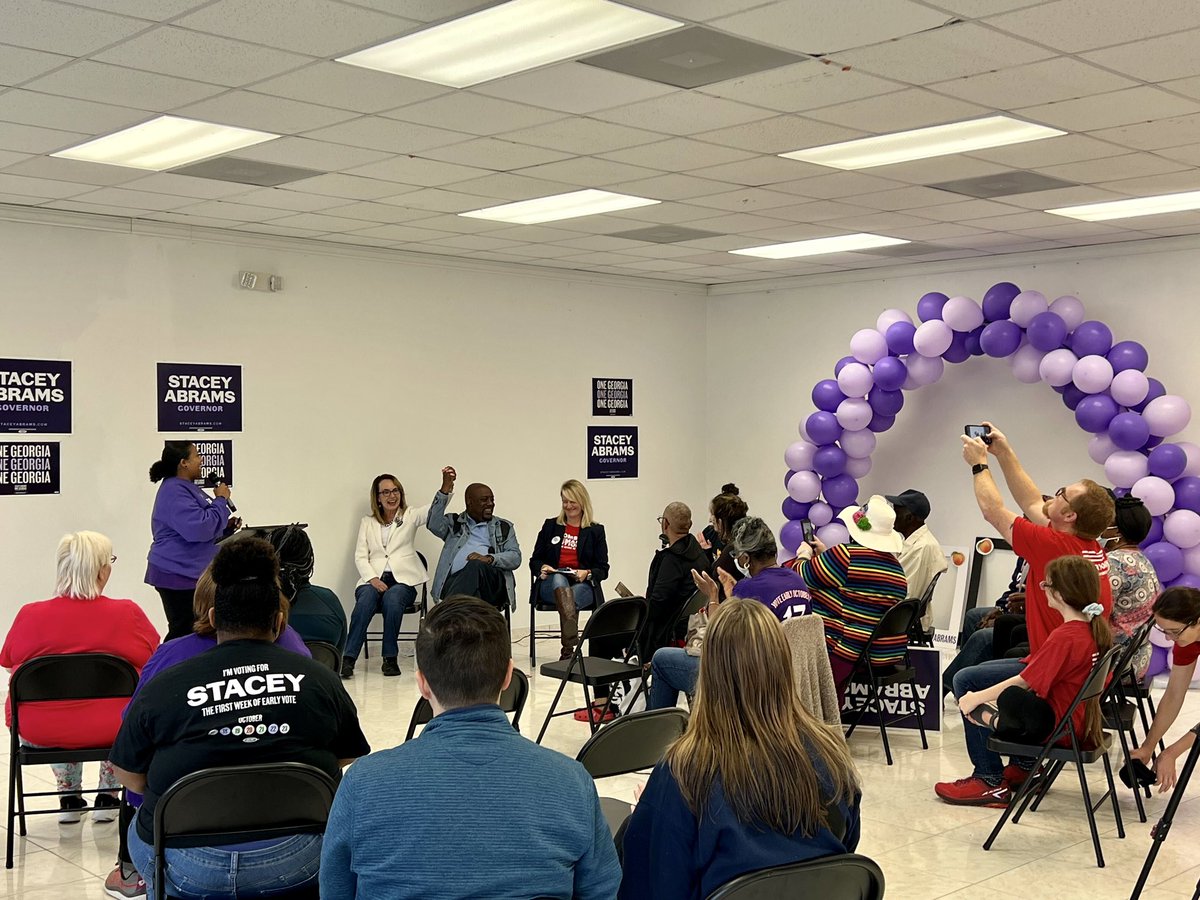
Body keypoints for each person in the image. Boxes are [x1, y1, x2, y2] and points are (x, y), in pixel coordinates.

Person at [110, 538, 369, 900]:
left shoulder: (167, 680)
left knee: (141, 829)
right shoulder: (319, 678)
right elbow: (346, 755)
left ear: (213, 619)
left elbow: (128, 776)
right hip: (297, 860)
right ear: (279, 621)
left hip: (188, 864)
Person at [320, 597, 621, 900]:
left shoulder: (363, 783)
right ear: (507, 676)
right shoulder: (571, 782)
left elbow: (335, 892)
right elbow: (602, 891)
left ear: (422, 683)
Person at [619, 599, 861, 900]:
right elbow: (842, 854)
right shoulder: (831, 755)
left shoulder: (684, 774)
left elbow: (650, 888)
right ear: (784, 665)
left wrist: (656, 811)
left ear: (709, 672)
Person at [948, 422, 1115, 803]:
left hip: (1057, 674)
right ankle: (1023, 768)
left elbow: (994, 510)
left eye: (1061, 495)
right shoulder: (1087, 545)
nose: (1051, 496)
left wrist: (979, 465)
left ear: (1069, 516)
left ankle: (989, 778)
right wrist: (1004, 451)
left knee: (966, 681)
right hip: (1066, 670)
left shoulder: (1055, 546)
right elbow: (1030, 504)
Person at [1, 532, 158, 824]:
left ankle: (69, 795)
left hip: (41, 731)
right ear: (101, 570)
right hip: (113, 729)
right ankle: (108, 794)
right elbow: (152, 660)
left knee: (49, 706)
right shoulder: (127, 614)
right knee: (128, 710)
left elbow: (8, 661)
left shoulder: (29, 615)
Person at [936, 555, 1112, 806]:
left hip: (1056, 729)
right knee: (987, 688)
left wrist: (974, 699)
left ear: (1060, 594)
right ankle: (1025, 766)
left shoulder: (1067, 636)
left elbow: (1025, 681)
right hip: (1077, 722)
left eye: (1046, 585)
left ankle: (989, 780)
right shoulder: (1092, 630)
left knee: (969, 687)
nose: (1043, 590)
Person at [647, 517, 811, 710]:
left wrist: (713, 596)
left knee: (661, 659)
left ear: (746, 557)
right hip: (786, 675)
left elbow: (718, 642)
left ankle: (657, 733)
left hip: (748, 680)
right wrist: (732, 594)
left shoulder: (750, 589)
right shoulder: (797, 579)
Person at [797, 494, 907, 705]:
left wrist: (804, 554)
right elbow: (858, 590)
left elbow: (799, 576)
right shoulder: (897, 571)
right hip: (875, 651)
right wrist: (826, 555)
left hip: (841, 649)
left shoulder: (846, 557)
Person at [344, 472, 437, 678]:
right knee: (366, 598)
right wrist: (372, 579)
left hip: (403, 581)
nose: (391, 496)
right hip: (373, 578)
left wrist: (445, 489)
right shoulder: (367, 522)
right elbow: (360, 556)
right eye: (385, 492)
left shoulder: (410, 515)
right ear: (377, 497)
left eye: (395, 490)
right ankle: (348, 658)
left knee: (393, 598)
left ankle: (390, 658)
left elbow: (433, 510)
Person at [146, 441, 237, 641]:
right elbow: (199, 529)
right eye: (196, 455)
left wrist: (225, 527)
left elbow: (199, 526)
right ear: (184, 463)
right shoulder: (174, 491)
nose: (201, 459)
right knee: (184, 632)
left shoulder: (185, 488)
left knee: (197, 630)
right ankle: (171, 667)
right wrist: (221, 501)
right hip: (177, 574)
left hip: (191, 572)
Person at [529, 479, 610, 660]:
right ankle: (570, 646)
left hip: (582, 585)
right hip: (551, 585)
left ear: (582, 502)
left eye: (572, 501)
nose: (568, 506)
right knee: (559, 579)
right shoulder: (551, 526)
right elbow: (534, 560)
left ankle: (567, 651)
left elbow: (603, 568)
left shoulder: (595, 531)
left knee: (572, 596)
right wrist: (542, 567)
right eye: (564, 501)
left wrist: (587, 572)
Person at [1130, 587, 1200, 793]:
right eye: (1164, 632)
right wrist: (1148, 747)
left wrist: (1171, 753)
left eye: (1175, 631)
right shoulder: (1186, 640)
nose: (1169, 639)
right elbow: (1173, 695)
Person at [428, 467, 521, 611]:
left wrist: (489, 558)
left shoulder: (503, 526)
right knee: (470, 600)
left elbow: (515, 557)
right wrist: (444, 490)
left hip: (492, 585)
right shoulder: (455, 523)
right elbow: (433, 523)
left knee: (475, 565)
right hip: (455, 582)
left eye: (492, 499)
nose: (490, 504)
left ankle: (443, 615)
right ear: (469, 502)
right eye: (484, 500)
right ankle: (458, 619)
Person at [642, 502, 710, 660]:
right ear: (690, 524)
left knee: (603, 638)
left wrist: (638, 610)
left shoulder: (670, 560)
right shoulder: (701, 555)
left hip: (663, 632)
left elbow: (658, 604)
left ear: (665, 524)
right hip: (687, 626)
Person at [269, 525, 348, 657]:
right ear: (310, 561)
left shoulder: (256, 613)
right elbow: (337, 655)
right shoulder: (330, 603)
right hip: (321, 677)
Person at [1105, 496, 1160, 679]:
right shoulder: (1142, 560)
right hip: (1137, 659)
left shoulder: (1114, 562)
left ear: (1117, 531)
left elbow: (1093, 611)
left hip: (1113, 664)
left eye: (1106, 522)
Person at [888, 489, 947, 631]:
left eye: (896, 512)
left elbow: (904, 593)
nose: (892, 517)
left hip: (902, 618)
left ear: (910, 518)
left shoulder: (921, 547)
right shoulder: (918, 543)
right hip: (904, 614)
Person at [701, 484, 748, 596]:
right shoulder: (747, 542)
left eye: (712, 515)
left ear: (721, 522)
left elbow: (713, 581)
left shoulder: (732, 550)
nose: (710, 520)